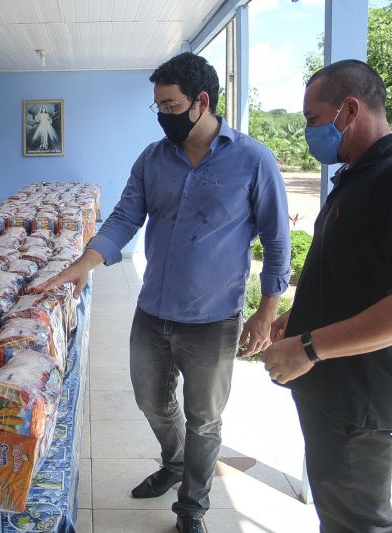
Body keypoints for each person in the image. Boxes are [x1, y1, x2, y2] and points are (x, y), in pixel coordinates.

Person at [34, 52, 291, 533]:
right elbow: (125, 216)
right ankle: (174, 463)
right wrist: (84, 264)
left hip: (214, 320)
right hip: (153, 312)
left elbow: (278, 240)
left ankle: (192, 508)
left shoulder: (252, 161)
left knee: (205, 420)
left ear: (202, 102)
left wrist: (266, 309)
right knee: (151, 401)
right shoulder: (153, 159)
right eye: (157, 107)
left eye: (170, 106)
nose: (163, 116)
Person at [262, 59, 392, 532]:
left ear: (349, 110)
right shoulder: (358, 175)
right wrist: (300, 316)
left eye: (312, 118)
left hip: (357, 401)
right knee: (340, 517)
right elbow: (353, 273)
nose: (308, 130)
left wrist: (309, 347)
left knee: (356, 524)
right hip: (332, 391)